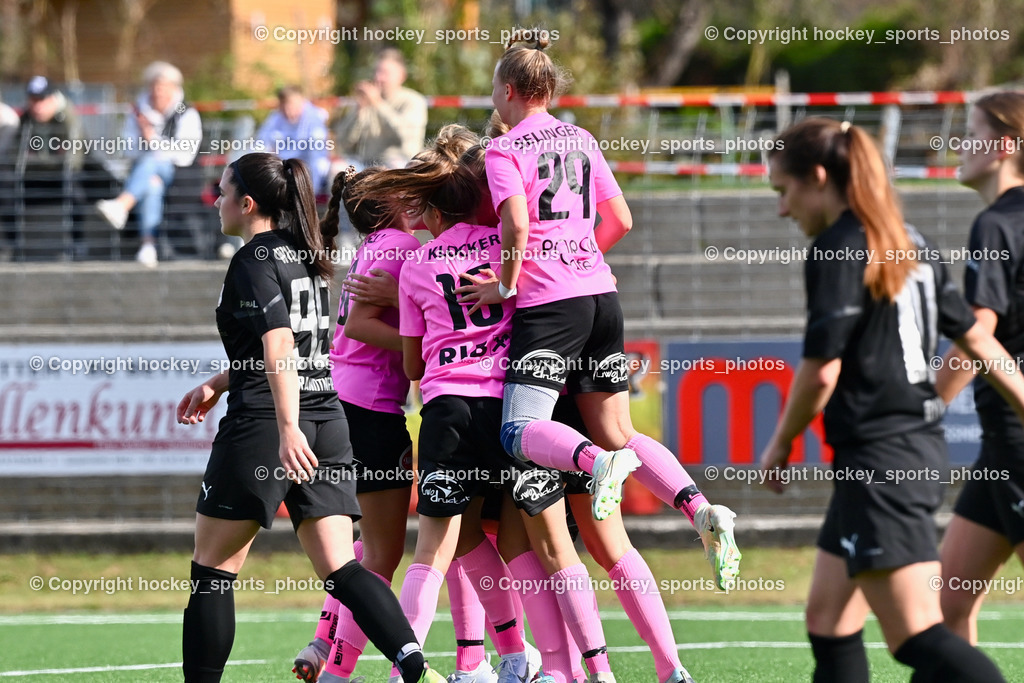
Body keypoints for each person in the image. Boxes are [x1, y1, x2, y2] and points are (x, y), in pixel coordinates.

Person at [455, 30, 740, 590]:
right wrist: (580, 260)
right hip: (601, 297)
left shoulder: (505, 149)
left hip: (551, 306)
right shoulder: (581, 137)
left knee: (518, 431)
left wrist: (508, 285)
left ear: (508, 90)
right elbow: (621, 220)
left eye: (493, 88)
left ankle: (595, 464)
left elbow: (516, 224)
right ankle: (701, 508)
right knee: (617, 429)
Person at [758, 117, 1024, 682]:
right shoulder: (910, 240)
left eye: (784, 191)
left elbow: (821, 372)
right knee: (828, 619)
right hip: (900, 454)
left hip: (882, 460)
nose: (781, 209)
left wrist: (780, 443)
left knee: (916, 635)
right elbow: (979, 341)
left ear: (819, 177)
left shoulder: (837, 247)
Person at [175, 152, 443, 683]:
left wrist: (286, 427)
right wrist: (219, 381)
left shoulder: (252, 260)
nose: (216, 202)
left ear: (247, 204)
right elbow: (293, 347)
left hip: (269, 425)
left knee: (213, 571)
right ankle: (419, 670)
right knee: (343, 568)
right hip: (328, 419)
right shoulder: (305, 255)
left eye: (223, 192)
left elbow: (279, 345)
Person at [352, 148, 616, 683]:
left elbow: (412, 366)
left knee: (432, 552)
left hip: (447, 412)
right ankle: (576, 667)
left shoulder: (417, 265)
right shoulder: (505, 247)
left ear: (431, 210)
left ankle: (406, 670)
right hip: (511, 412)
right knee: (536, 546)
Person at [933, 91, 1024, 644]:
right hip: (1000, 446)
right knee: (950, 604)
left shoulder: (996, 224)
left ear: (1005, 146)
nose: (960, 145)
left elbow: (976, 337)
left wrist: (923, 408)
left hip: (1017, 436)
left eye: (971, 134)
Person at [95, 61, 202, 266]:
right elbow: (128, 148)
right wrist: (147, 144)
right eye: (154, 86)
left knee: (153, 160)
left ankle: (122, 205)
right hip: (143, 174)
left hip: (180, 176)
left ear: (174, 88)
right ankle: (148, 246)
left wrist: (152, 140)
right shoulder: (137, 112)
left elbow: (185, 155)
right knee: (152, 184)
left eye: (163, 86)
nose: (157, 92)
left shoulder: (186, 112)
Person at [0, 76, 87, 260]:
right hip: (32, 178)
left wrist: (40, 159)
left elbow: (74, 159)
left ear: (53, 98)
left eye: (42, 100)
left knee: (76, 190)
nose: (37, 106)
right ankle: (12, 246)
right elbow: (14, 156)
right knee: (6, 185)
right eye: (33, 100)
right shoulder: (25, 120)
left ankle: (77, 243)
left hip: (62, 178)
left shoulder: (68, 117)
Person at [333, 48, 427, 169]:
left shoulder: (413, 101)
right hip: (365, 164)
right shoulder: (367, 100)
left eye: (385, 73)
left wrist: (378, 104)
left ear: (402, 76)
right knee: (337, 168)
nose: (378, 77)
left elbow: (405, 136)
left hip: (401, 163)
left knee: (395, 166)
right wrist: (359, 111)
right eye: (376, 71)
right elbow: (343, 142)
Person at [257, 86, 331, 195]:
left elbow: (317, 156)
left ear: (301, 102)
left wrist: (311, 193)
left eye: (291, 106)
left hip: (307, 169)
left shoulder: (314, 118)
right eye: (284, 107)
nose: (288, 111)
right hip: (280, 167)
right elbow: (261, 143)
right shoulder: (275, 118)